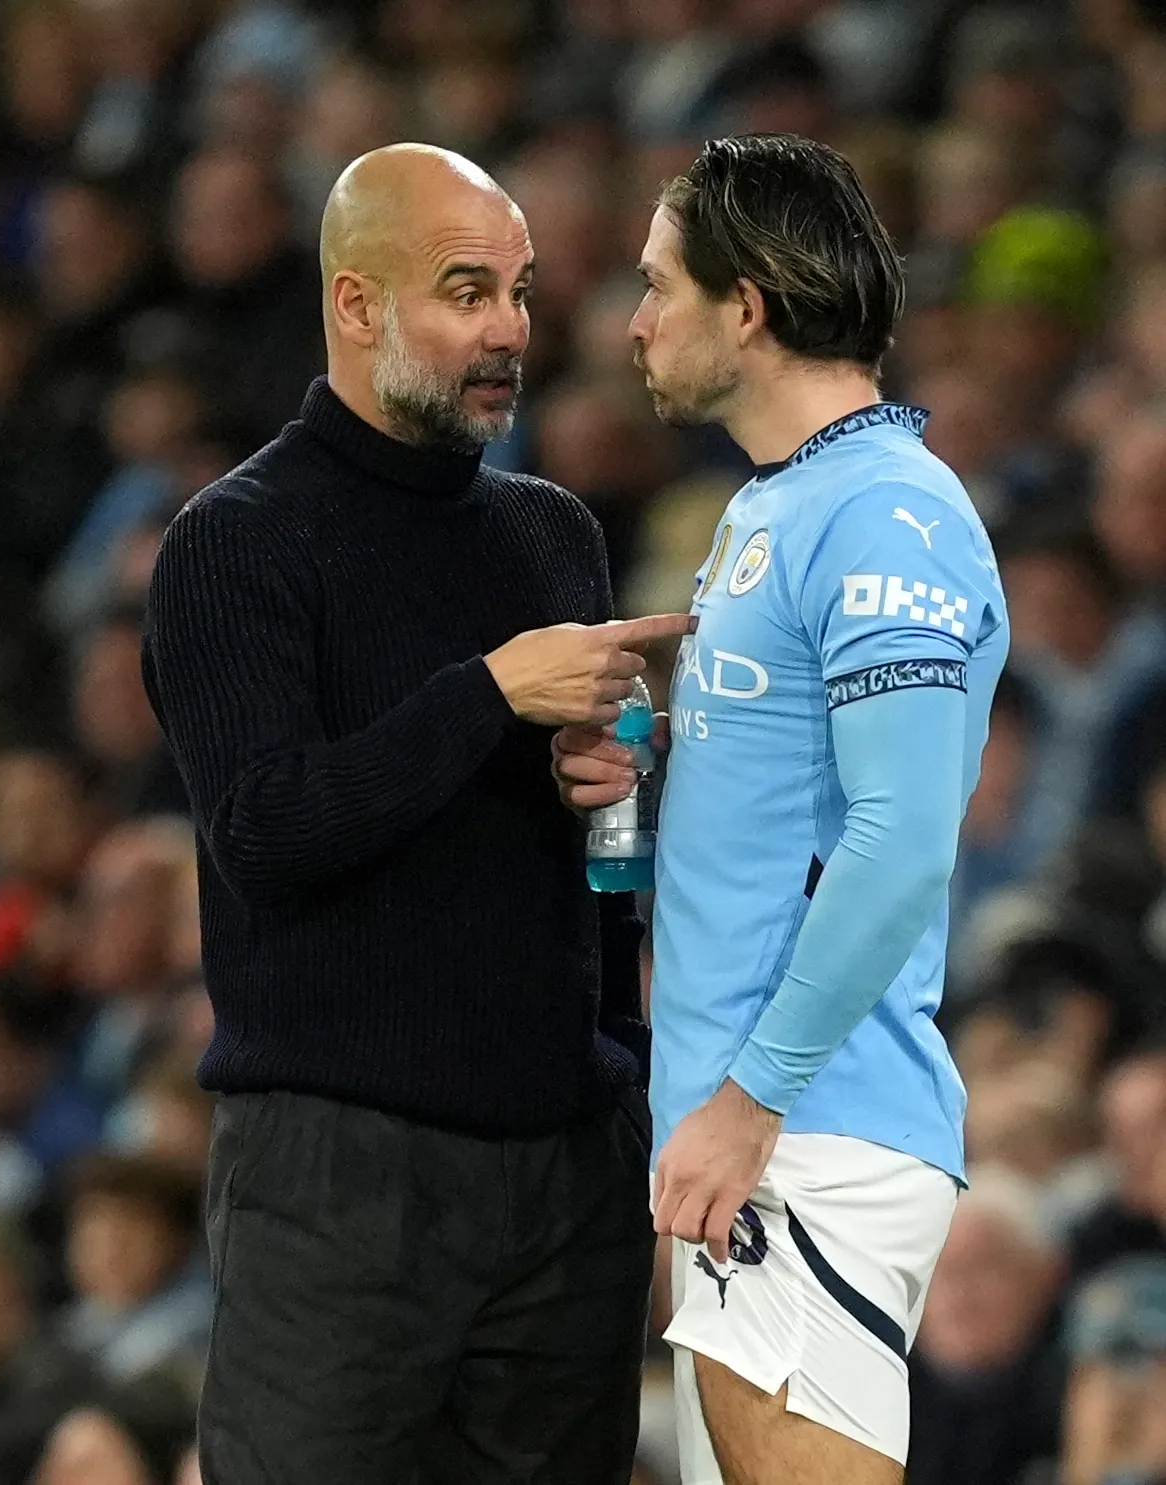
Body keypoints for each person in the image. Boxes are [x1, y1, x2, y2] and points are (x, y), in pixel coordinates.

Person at [141, 142, 695, 1485]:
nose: (506, 328)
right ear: (354, 306)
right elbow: (268, 833)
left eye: (516, 290)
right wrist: (485, 696)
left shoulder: (552, 532)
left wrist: (620, 792)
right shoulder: (238, 540)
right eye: (463, 292)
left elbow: (607, 880)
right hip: (342, 1179)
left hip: (568, 1166)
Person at [554, 133, 1010, 1485]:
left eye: (656, 285)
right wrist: (639, 773)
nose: (631, 321)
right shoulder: (777, 505)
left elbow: (896, 844)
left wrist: (750, 1103)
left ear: (743, 306)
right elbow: (788, 823)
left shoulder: (886, 518)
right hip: (747, 1139)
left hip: (802, 1133)